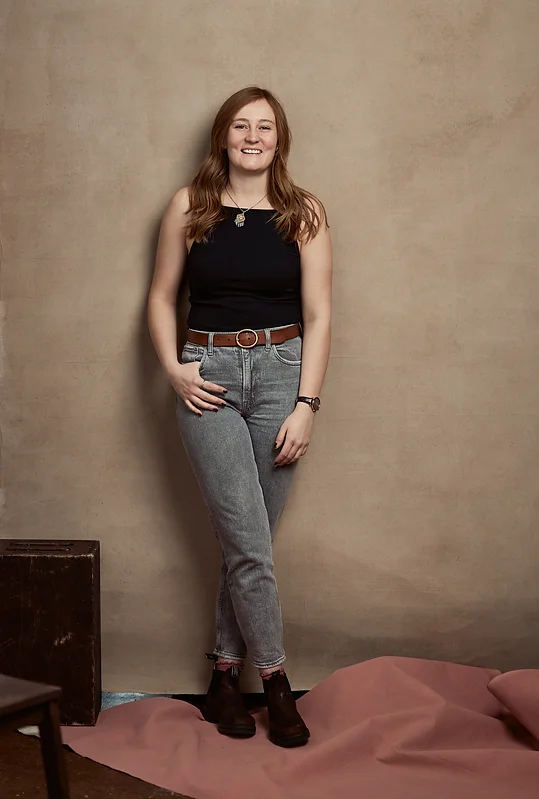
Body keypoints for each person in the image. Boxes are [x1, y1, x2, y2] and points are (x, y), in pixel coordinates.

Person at [147, 86, 332, 747]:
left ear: (279, 139)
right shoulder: (188, 206)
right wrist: (172, 368)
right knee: (249, 544)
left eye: (265, 127)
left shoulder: (302, 211)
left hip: (283, 376)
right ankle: (276, 682)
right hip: (210, 376)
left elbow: (318, 315)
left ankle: (225, 674)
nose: (252, 136)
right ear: (222, 136)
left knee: (247, 543)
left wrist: (306, 405)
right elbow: (161, 295)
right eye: (240, 126)